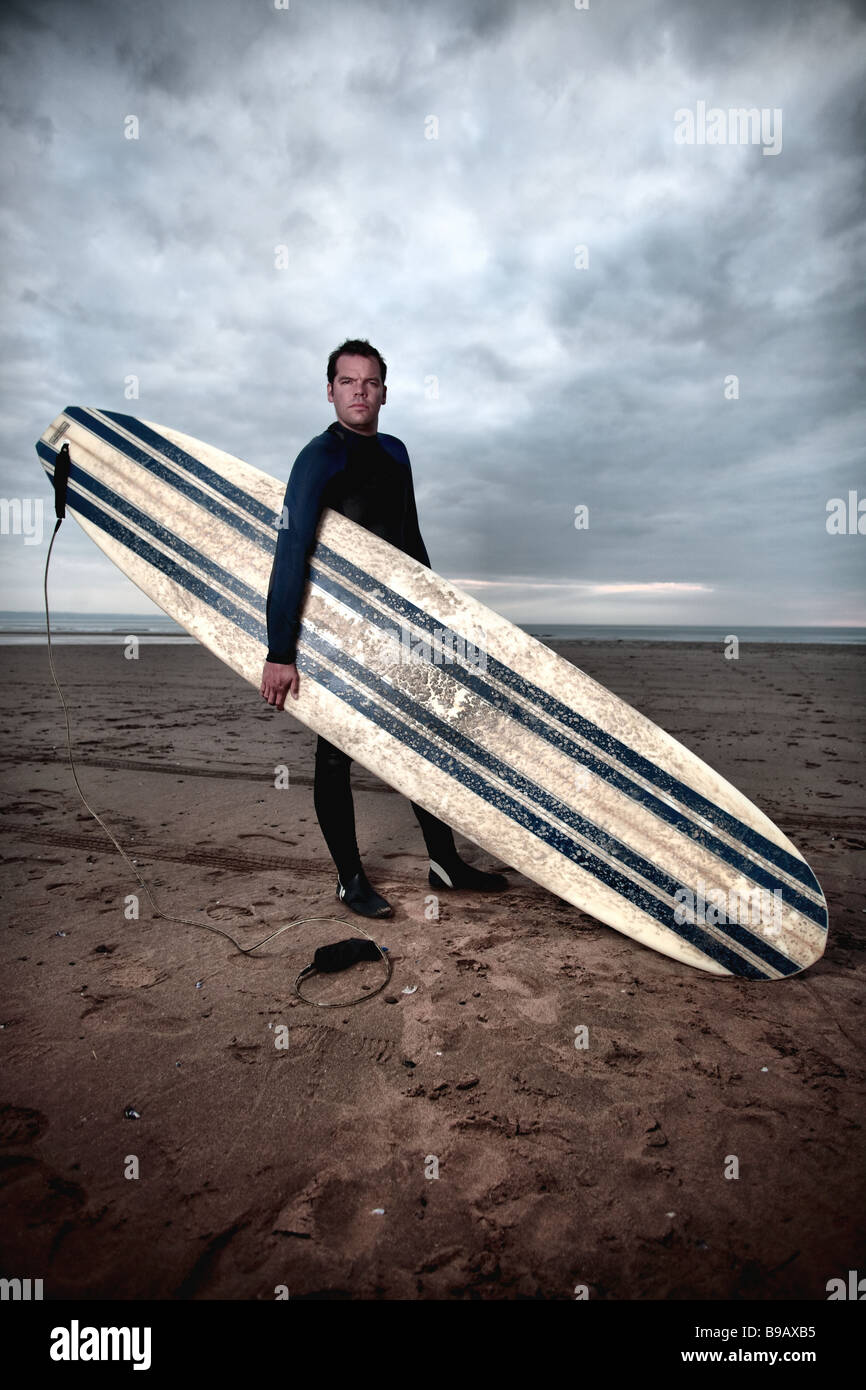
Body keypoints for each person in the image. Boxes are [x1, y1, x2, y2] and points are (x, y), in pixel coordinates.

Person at [259, 338, 508, 918]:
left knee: (425, 742)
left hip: (399, 628)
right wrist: (280, 650)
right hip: (337, 630)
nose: (360, 392)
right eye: (348, 382)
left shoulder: (396, 453)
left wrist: (436, 619)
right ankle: (349, 879)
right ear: (330, 390)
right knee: (334, 754)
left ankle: (446, 864)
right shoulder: (318, 458)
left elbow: (412, 545)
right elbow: (291, 549)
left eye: (369, 383)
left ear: (384, 393)